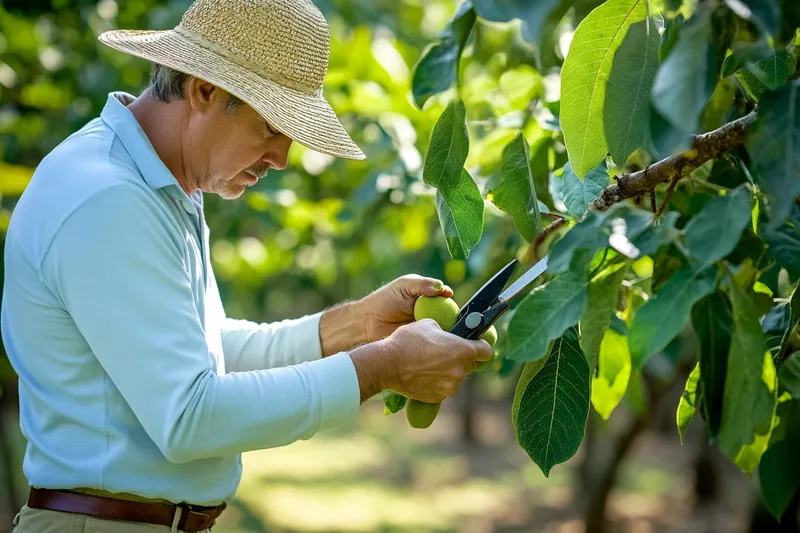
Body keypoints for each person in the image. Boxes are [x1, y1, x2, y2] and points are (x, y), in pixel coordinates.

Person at [0, 0, 493, 531]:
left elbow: (205, 353)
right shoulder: (108, 197)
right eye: (270, 128)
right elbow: (190, 417)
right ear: (204, 91)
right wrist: (382, 367)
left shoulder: (163, 190)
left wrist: (354, 327)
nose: (282, 159)